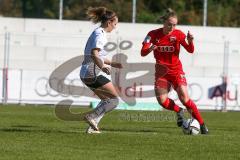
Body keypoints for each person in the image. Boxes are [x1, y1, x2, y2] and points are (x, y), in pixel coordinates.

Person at [140, 8, 208, 134]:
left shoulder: (178, 34)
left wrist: (190, 41)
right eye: (169, 24)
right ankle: (179, 110)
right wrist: (150, 49)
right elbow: (142, 52)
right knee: (163, 102)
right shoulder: (152, 34)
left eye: (175, 25)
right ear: (164, 23)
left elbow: (190, 50)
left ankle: (202, 125)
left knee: (185, 98)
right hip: (161, 73)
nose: (172, 27)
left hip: (176, 71)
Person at [80, 7, 122, 134]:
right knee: (114, 100)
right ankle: (92, 117)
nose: (115, 27)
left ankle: (92, 127)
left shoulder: (98, 32)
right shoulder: (100, 34)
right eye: (115, 24)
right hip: (91, 72)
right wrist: (102, 66)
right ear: (109, 22)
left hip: (86, 73)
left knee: (107, 100)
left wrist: (113, 63)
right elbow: (94, 54)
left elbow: (100, 56)